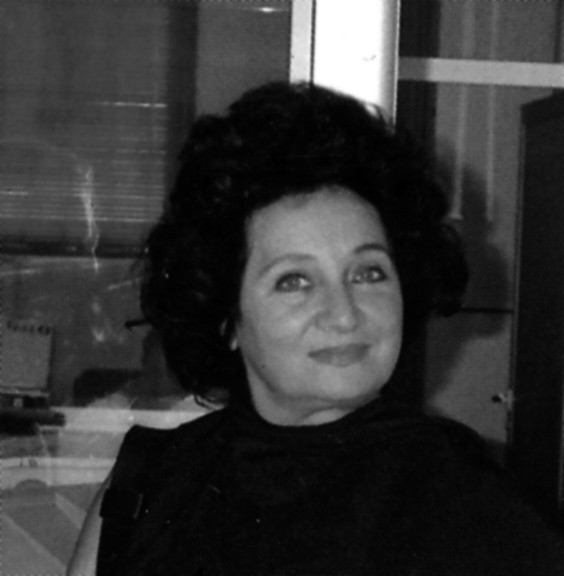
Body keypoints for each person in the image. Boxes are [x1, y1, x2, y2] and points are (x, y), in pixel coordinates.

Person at [68, 82, 564, 576]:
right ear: (227, 317)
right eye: (295, 281)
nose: (344, 314)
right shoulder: (148, 484)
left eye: (368, 273)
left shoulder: (474, 507)